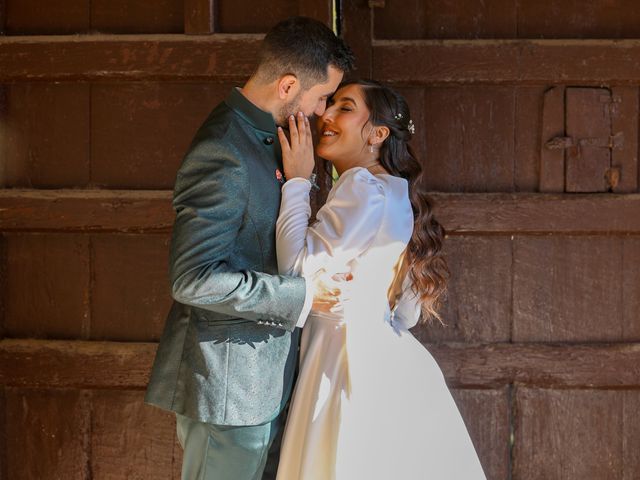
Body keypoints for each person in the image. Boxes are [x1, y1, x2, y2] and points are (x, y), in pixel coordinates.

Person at [144, 17, 355, 480]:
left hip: (264, 383)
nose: (323, 111)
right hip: (228, 390)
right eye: (322, 97)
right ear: (287, 85)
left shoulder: (271, 139)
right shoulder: (224, 150)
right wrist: (300, 295)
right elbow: (193, 278)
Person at [274, 80, 487, 479]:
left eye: (345, 108)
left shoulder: (359, 186)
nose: (327, 115)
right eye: (330, 104)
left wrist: (298, 182)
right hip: (388, 357)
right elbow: (406, 313)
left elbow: (295, 269)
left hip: (343, 358)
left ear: (377, 134)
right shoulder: (396, 194)